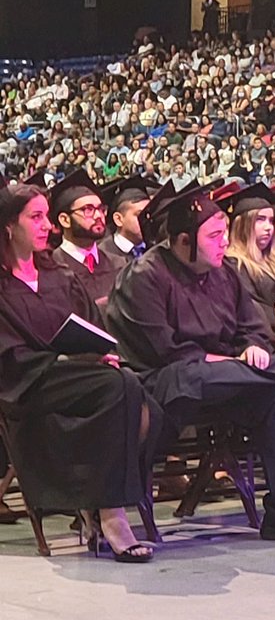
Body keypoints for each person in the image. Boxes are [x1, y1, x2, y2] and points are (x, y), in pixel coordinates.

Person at [105, 182, 275, 543]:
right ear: (184, 240)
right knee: (245, 374)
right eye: (214, 235)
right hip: (166, 384)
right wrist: (235, 359)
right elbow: (165, 352)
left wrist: (253, 347)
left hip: (232, 379)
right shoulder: (145, 277)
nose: (223, 243)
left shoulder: (224, 272)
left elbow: (254, 329)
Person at [0, 184, 162, 561]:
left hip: (80, 379)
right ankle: (112, 514)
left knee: (131, 389)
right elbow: (8, 354)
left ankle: (99, 509)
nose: (46, 227)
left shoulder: (59, 275)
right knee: (123, 387)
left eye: (45, 217)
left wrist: (96, 353)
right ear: (9, 225)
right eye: (35, 217)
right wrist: (64, 362)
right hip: (27, 382)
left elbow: (91, 327)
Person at [222, 183, 275, 341]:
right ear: (243, 225)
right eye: (260, 220)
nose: (268, 227)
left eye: (270, 220)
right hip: (269, 340)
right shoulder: (234, 265)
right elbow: (252, 311)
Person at [49, 169, 121, 308]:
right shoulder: (52, 270)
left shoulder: (118, 263)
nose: (98, 216)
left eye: (100, 209)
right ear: (65, 220)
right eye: (88, 210)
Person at [99, 176, 154, 269]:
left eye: (149, 213)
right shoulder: (102, 256)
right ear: (118, 219)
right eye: (140, 215)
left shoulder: (155, 248)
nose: (147, 219)